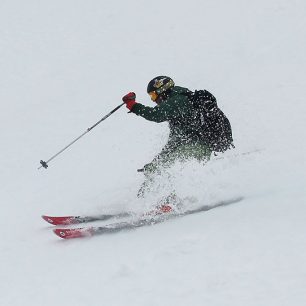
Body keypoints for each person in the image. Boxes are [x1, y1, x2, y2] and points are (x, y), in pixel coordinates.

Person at [122, 76, 233, 198]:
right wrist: (157, 161)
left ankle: (169, 201)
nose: (153, 100)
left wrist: (133, 106)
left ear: (162, 90)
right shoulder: (177, 103)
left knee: (170, 168)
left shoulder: (178, 101)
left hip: (199, 146)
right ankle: (142, 201)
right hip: (192, 145)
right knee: (157, 168)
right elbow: (175, 140)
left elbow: (155, 115)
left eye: (153, 95)